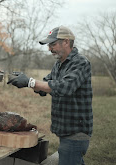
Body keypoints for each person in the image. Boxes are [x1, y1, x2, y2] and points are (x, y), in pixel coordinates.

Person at [7, 26, 93, 165]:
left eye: (53, 44)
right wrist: (24, 80)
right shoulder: (59, 64)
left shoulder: (80, 63)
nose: (49, 48)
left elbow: (65, 87)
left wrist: (30, 82)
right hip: (66, 131)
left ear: (66, 42)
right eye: (49, 45)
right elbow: (46, 85)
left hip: (76, 132)